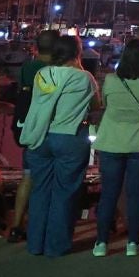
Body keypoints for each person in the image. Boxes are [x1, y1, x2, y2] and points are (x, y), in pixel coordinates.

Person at [17, 33, 98, 257]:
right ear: (77, 52)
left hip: (40, 137)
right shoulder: (85, 78)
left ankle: (35, 244)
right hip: (70, 137)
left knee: (40, 191)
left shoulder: (42, 74)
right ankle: (57, 245)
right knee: (65, 192)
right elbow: (96, 104)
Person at [92, 38, 139, 257]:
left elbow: (105, 104)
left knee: (109, 194)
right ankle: (133, 242)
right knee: (136, 194)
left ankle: (101, 242)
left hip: (111, 141)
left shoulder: (111, 80)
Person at [5, 28, 58, 242]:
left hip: (29, 127)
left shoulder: (28, 67)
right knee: (51, 179)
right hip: (49, 127)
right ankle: (45, 224)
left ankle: (17, 223)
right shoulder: (55, 69)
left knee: (28, 176)